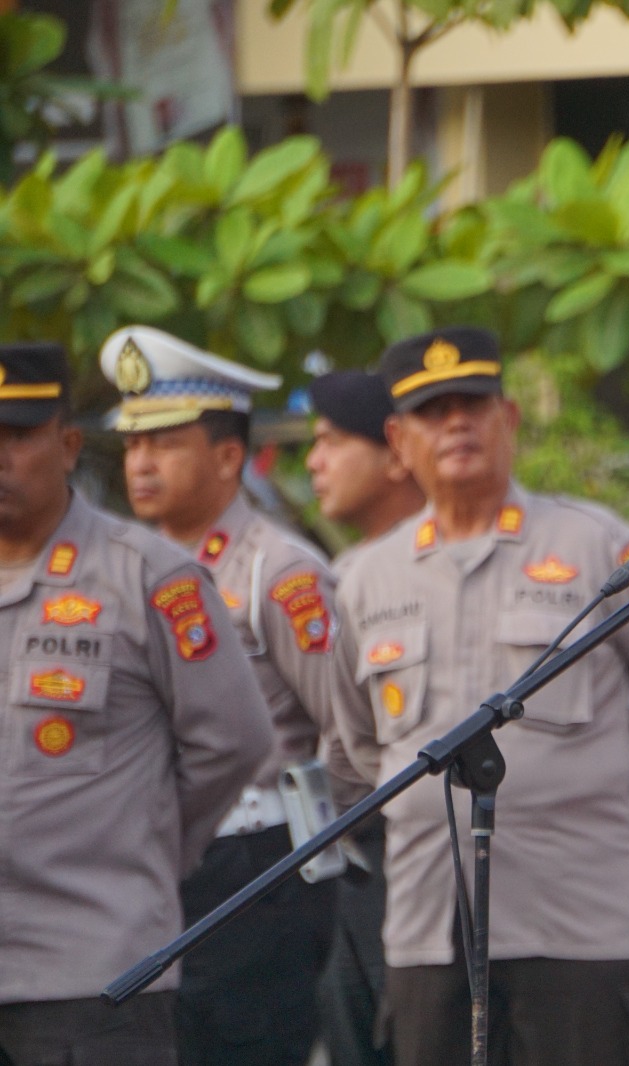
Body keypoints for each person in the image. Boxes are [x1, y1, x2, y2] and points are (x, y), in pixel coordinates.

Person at [329, 326, 629, 1066]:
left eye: (473, 404)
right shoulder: (362, 578)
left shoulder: (600, 546)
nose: (457, 424)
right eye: (434, 413)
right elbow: (354, 745)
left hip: (584, 924)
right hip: (428, 931)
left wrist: (605, 802)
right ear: (399, 442)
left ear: (510, 421)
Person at [0, 342, 272, 1066]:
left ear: (66, 446)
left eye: (17, 436)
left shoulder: (149, 576)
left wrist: (147, 847)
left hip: (91, 974)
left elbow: (235, 742)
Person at [100, 325, 348, 1066]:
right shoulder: (127, 569)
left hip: (256, 861)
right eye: (134, 444)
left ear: (229, 456)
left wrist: (312, 852)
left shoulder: (279, 571)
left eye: (165, 443)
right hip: (150, 859)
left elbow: (346, 728)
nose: (141, 463)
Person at [306, 369, 424, 1066]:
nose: (313, 462)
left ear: (394, 451)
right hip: (356, 869)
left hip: (427, 865)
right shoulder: (347, 572)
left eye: (330, 441)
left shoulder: (443, 569)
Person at [308, 369, 426, 551]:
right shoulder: (351, 570)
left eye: (332, 441)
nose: (313, 462)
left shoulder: (438, 563)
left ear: (397, 457)